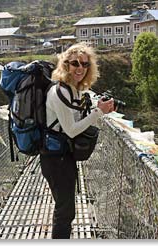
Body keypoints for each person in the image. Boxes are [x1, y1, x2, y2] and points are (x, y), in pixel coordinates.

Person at [41, 42, 115, 239]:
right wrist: (99, 112)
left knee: (66, 209)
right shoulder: (60, 92)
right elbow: (72, 130)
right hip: (55, 159)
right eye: (75, 63)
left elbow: (77, 120)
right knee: (65, 212)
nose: (80, 68)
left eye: (85, 64)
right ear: (65, 65)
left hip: (64, 156)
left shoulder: (73, 90)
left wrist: (96, 109)